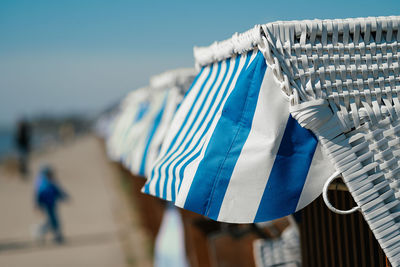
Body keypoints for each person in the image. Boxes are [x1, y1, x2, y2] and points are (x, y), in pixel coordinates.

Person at [34, 166, 69, 244]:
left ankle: (56, 235)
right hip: (46, 205)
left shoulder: (50, 183)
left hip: (52, 204)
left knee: (53, 220)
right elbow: (39, 196)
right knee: (52, 221)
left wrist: (64, 196)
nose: (52, 175)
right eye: (50, 173)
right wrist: (38, 205)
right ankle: (44, 234)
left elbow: (58, 191)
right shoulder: (43, 184)